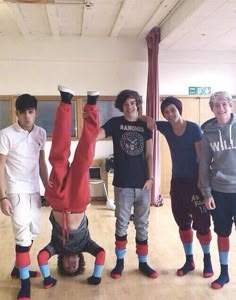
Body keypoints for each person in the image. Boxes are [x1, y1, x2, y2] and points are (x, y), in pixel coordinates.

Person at [37, 85, 105, 290]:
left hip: (57, 200)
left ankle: (66, 101)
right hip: (77, 200)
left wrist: (48, 278)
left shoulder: (56, 248)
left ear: (61, 263)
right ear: (80, 261)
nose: (71, 263)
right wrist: (97, 275)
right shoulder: (86, 245)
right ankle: (92, 105)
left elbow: (41, 256)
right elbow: (101, 254)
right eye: (75, 266)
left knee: (58, 153)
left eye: (67, 266)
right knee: (85, 154)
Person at [145, 96, 213, 278]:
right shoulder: (166, 127)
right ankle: (189, 261)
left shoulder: (193, 128)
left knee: (203, 223)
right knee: (183, 222)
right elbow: (145, 120)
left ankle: (207, 261)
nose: (170, 114)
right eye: (166, 112)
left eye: (172, 110)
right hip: (178, 182)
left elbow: (201, 158)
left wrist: (202, 183)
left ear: (179, 110)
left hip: (195, 181)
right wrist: (147, 119)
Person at [97, 89, 158, 279]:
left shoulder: (144, 125)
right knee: (121, 224)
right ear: (121, 106)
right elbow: (96, 135)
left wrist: (151, 178)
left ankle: (143, 263)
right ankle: (120, 263)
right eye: (125, 104)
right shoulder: (115, 123)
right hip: (123, 184)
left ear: (137, 104)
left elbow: (148, 154)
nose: (129, 106)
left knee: (142, 225)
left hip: (143, 185)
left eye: (132, 103)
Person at [0, 94, 48, 300]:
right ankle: (25, 284)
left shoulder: (41, 133)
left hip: (34, 190)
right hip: (15, 190)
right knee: (22, 234)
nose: (28, 117)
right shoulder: (6, 134)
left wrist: (49, 191)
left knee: (34, 232)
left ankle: (17, 268)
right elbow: (0, 167)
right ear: (17, 113)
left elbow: (42, 163)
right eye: (23, 112)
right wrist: (2, 197)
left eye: (31, 112)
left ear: (36, 112)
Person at [199, 91, 236, 289]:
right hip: (219, 191)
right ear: (212, 109)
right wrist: (206, 193)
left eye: (224, 104)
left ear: (230, 106)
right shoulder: (208, 133)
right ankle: (224, 273)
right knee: (222, 233)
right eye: (216, 105)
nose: (220, 108)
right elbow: (204, 164)